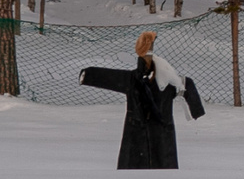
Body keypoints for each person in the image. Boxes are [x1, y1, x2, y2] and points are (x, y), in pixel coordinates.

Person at [80, 30, 205, 170]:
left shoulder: (167, 82)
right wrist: (88, 75)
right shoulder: (136, 80)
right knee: (145, 169)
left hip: (154, 136)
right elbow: (110, 77)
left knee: (157, 170)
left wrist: (196, 109)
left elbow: (187, 84)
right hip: (146, 136)